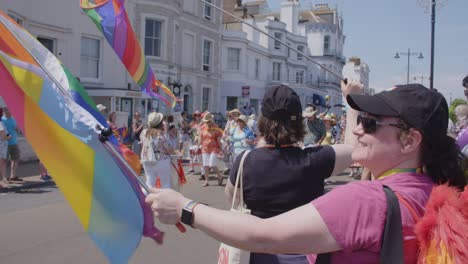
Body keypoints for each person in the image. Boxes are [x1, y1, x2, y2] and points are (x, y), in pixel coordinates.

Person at [146, 83, 466, 263]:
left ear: (410, 141)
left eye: (370, 123)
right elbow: (343, 151)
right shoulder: (432, 189)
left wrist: (184, 208)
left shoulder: (365, 201)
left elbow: (261, 234)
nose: (356, 130)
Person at [140, 112, 175, 189]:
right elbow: (169, 150)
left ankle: (145, 199)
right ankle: (165, 200)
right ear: (160, 123)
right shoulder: (161, 135)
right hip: (161, 161)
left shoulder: (144, 133)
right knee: (165, 184)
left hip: (147, 160)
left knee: (149, 183)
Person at [198, 112, 224, 187]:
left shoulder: (216, 128)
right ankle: (206, 181)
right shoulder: (203, 127)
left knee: (212, 164)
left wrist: (221, 149)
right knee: (205, 165)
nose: (207, 123)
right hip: (205, 148)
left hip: (214, 148)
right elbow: (201, 138)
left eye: (208, 121)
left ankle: (220, 176)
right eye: (206, 121)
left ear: (211, 120)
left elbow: (219, 140)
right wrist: (198, 146)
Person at [2, 107, 22, 182]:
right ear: (4, 111)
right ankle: (4, 177)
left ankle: (13, 176)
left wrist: (19, 130)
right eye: (8, 111)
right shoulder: (2, 120)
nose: (10, 112)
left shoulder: (13, 118)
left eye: (10, 110)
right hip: (5, 144)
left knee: (15, 159)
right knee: (4, 161)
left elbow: (17, 129)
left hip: (14, 142)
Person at [0, 108, 12, 188]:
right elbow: (3, 136)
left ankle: (4, 178)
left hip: (3, 146)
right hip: (1, 146)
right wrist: (9, 137)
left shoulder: (2, 123)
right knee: (1, 163)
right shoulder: (0, 123)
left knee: (3, 162)